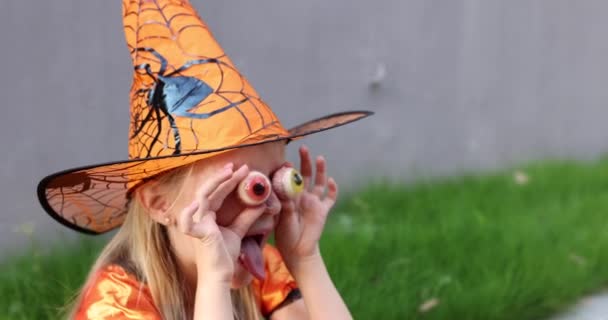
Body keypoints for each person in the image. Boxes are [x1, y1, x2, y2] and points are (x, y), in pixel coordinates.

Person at [36, 0, 372, 319]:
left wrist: (304, 259)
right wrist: (214, 281)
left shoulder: (260, 267)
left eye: (279, 181)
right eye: (243, 188)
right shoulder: (117, 303)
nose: (270, 206)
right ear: (158, 204)